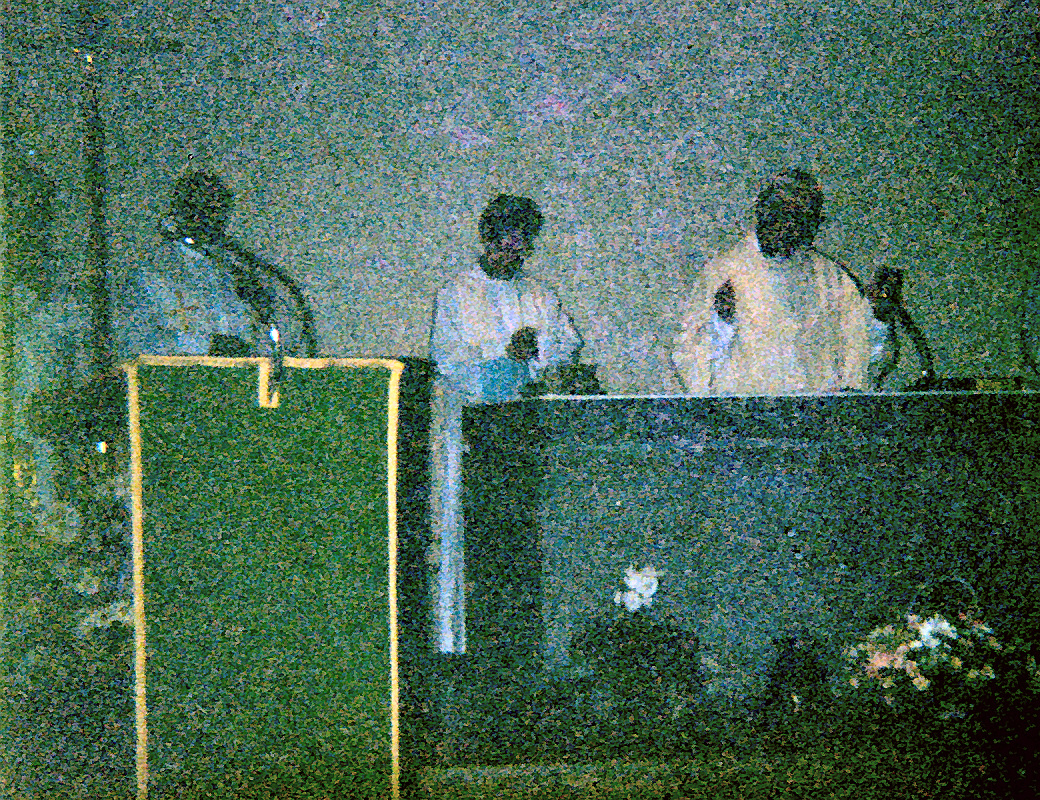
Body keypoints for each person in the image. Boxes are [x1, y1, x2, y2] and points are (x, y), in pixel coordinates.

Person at [429, 194, 582, 652]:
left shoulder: (539, 295)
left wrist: (537, 348)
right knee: (481, 544)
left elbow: (568, 344)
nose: (513, 254)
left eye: (522, 245)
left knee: (526, 542)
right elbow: (447, 358)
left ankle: (525, 644)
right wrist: (501, 354)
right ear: (487, 239)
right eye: (505, 243)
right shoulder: (457, 293)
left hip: (528, 432)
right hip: (476, 432)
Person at [672, 168, 891, 395]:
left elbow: (861, 353)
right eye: (784, 213)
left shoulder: (830, 278)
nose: (790, 227)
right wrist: (722, 323)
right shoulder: (724, 273)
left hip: (814, 411)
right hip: (746, 411)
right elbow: (690, 357)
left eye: (802, 218)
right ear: (762, 210)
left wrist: (879, 317)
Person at [121, 170, 318, 360]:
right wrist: (208, 346)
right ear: (181, 210)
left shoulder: (231, 271)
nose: (211, 217)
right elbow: (137, 341)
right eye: (202, 207)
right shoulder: (151, 273)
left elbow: (253, 341)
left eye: (218, 210)